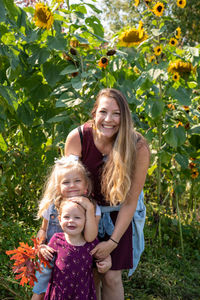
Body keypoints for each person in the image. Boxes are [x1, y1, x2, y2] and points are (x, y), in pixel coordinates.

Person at [64, 88, 150, 300]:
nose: (109, 119)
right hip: (85, 212)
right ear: (94, 114)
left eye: (117, 114)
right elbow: (68, 189)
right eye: (103, 112)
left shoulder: (138, 146)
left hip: (119, 214)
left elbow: (131, 201)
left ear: (125, 117)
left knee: (111, 276)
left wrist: (112, 241)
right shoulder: (78, 138)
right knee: (88, 274)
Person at [32, 156, 102, 300]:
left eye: (77, 181)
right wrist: (40, 246)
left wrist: (88, 208)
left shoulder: (92, 207)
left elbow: (90, 237)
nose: (72, 185)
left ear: (86, 185)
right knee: (40, 290)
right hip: (51, 255)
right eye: (66, 182)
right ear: (58, 187)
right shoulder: (52, 207)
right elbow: (43, 230)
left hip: (78, 258)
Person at [43, 198, 111, 300]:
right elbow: (44, 257)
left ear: (86, 221)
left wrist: (107, 263)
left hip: (82, 292)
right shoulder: (57, 239)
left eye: (77, 217)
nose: (71, 221)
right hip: (60, 291)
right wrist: (42, 250)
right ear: (60, 219)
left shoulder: (91, 243)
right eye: (66, 217)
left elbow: (104, 254)